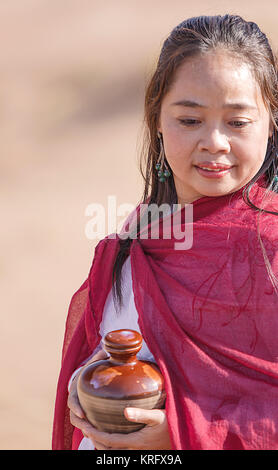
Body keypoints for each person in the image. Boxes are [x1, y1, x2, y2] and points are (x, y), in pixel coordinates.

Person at [52, 14, 278, 450]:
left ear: (271, 122)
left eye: (238, 122)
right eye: (190, 120)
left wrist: (175, 436)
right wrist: (85, 387)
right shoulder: (135, 237)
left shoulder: (272, 248)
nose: (215, 141)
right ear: (156, 119)